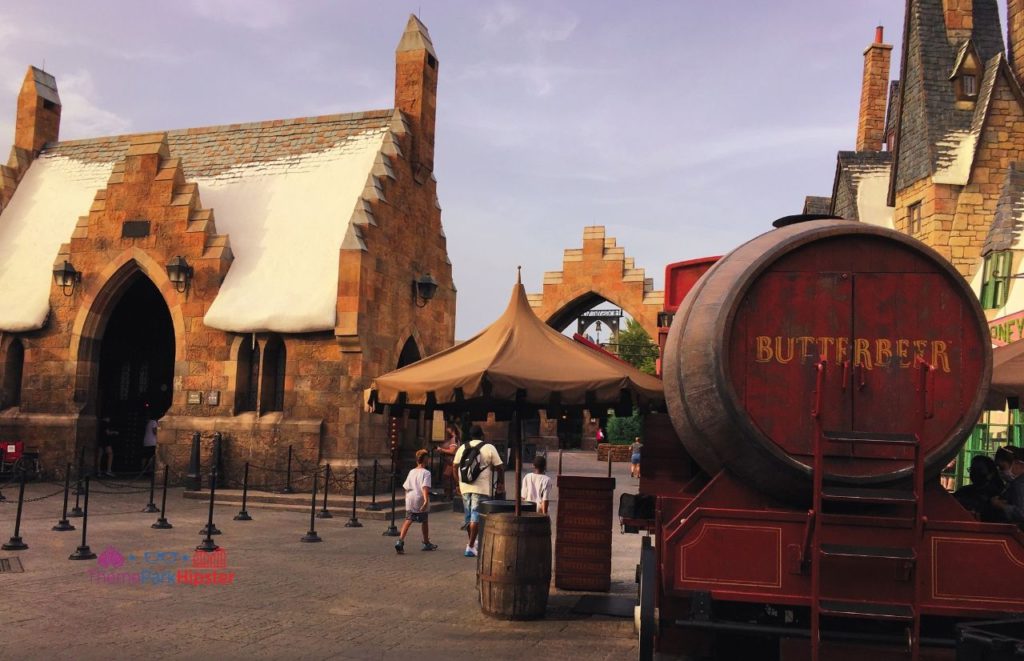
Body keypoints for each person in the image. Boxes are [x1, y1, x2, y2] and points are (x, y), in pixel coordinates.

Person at [452, 425, 504, 557]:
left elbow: (454, 466)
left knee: (469, 517)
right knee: (476, 516)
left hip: (464, 487)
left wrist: (458, 483)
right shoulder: (489, 447)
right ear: (482, 435)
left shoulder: (463, 447)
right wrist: (500, 483)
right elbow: (500, 467)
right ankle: (470, 546)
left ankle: (472, 543)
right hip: (480, 488)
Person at [395, 449, 437, 553]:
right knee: (424, 520)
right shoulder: (426, 473)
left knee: (408, 519)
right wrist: (426, 500)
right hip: (419, 497)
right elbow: (425, 487)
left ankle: (400, 541)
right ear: (425, 460)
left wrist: (406, 499)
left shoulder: (411, 471)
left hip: (410, 497)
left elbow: (406, 487)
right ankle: (426, 542)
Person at [953, 455, 1006, 522]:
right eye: (972, 470)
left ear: (991, 474)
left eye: (979, 470)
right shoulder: (963, 491)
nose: (974, 473)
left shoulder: (998, 495)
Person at [992, 446, 1024, 525]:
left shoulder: (1019, 484)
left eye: (1002, 467)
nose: (1000, 472)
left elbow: (1021, 514)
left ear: (1017, 463)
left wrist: (1000, 505)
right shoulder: (1013, 483)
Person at [438, 424, 461, 500]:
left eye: (447, 429)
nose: (446, 431)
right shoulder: (454, 439)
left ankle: (448, 495)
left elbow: (452, 451)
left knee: (446, 477)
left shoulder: (453, 439)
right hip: (450, 461)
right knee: (450, 478)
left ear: (451, 430)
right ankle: (450, 495)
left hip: (450, 461)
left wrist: (441, 450)